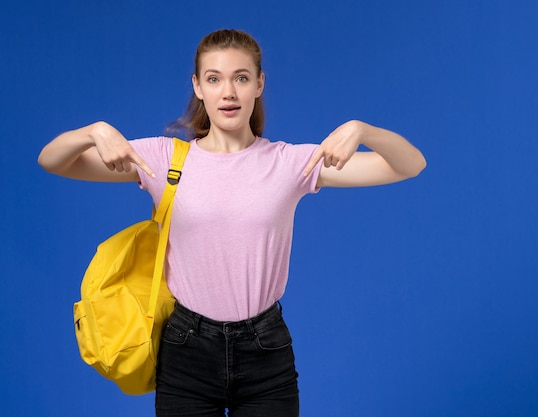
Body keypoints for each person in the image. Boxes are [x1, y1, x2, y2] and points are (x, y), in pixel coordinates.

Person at [38, 29, 426, 417]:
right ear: (198, 86)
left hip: (265, 351)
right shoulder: (162, 160)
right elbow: (53, 160)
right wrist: (94, 131)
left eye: (241, 78)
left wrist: (362, 129)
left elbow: (409, 165)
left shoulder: (290, 163)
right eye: (214, 79)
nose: (228, 92)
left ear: (259, 84)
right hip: (185, 349)